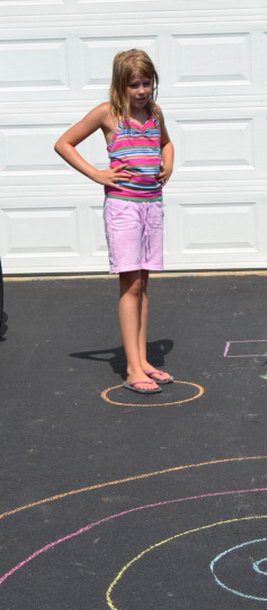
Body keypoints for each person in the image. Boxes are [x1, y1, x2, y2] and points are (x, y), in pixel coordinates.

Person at [55, 49, 174, 394]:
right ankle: (131, 367)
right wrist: (97, 174)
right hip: (124, 207)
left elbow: (166, 143)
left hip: (152, 204)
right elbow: (64, 143)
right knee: (130, 284)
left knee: (144, 284)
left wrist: (168, 163)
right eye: (133, 84)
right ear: (120, 85)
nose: (141, 91)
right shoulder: (109, 114)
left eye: (146, 83)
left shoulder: (155, 112)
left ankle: (144, 360)